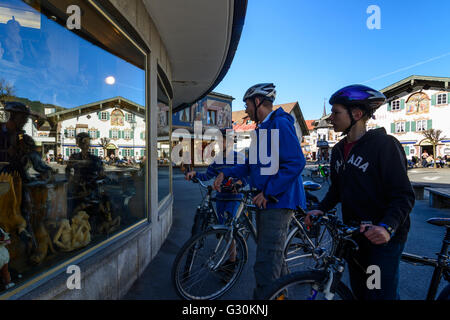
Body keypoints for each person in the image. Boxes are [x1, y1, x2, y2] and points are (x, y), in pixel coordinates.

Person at [305, 84, 415, 300]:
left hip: (381, 238)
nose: (331, 119)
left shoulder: (384, 145)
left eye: (336, 113)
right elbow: (337, 190)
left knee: (376, 294)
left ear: (356, 114)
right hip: (354, 234)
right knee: (360, 291)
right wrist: (321, 209)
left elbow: (403, 195)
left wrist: (387, 227)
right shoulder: (337, 150)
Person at [212, 83, 307, 299]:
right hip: (266, 200)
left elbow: (296, 162)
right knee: (273, 256)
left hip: (277, 202)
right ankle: (281, 295)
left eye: (247, 104)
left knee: (266, 261)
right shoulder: (262, 129)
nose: (245, 110)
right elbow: (250, 163)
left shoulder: (280, 125)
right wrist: (225, 173)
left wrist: (269, 192)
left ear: (257, 102)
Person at [0, 101, 53, 250]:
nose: (25, 122)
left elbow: (34, 158)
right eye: (23, 118)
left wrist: (46, 169)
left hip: (18, 179)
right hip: (3, 178)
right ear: (13, 116)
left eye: (26, 119)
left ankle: (24, 242)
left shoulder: (24, 138)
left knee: (26, 207)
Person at [185, 128, 247, 225]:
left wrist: (239, 183)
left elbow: (247, 174)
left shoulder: (240, 157)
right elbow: (207, 176)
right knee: (221, 225)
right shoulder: (217, 159)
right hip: (220, 197)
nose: (219, 143)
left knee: (230, 226)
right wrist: (195, 174)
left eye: (222, 141)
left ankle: (235, 240)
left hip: (235, 197)